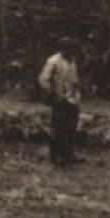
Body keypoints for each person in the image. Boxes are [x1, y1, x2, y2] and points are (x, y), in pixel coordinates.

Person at [38, 36, 83, 167]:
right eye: (69, 49)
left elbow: (74, 79)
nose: (72, 51)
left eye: (73, 49)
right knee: (58, 127)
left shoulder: (72, 61)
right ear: (63, 49)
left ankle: (68, 154)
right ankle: (55, 155)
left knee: (71, 127)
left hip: (72, 98)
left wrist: (77, 88)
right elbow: (43, 79)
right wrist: (52, 93)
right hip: (59, 98)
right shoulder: (53, 61)